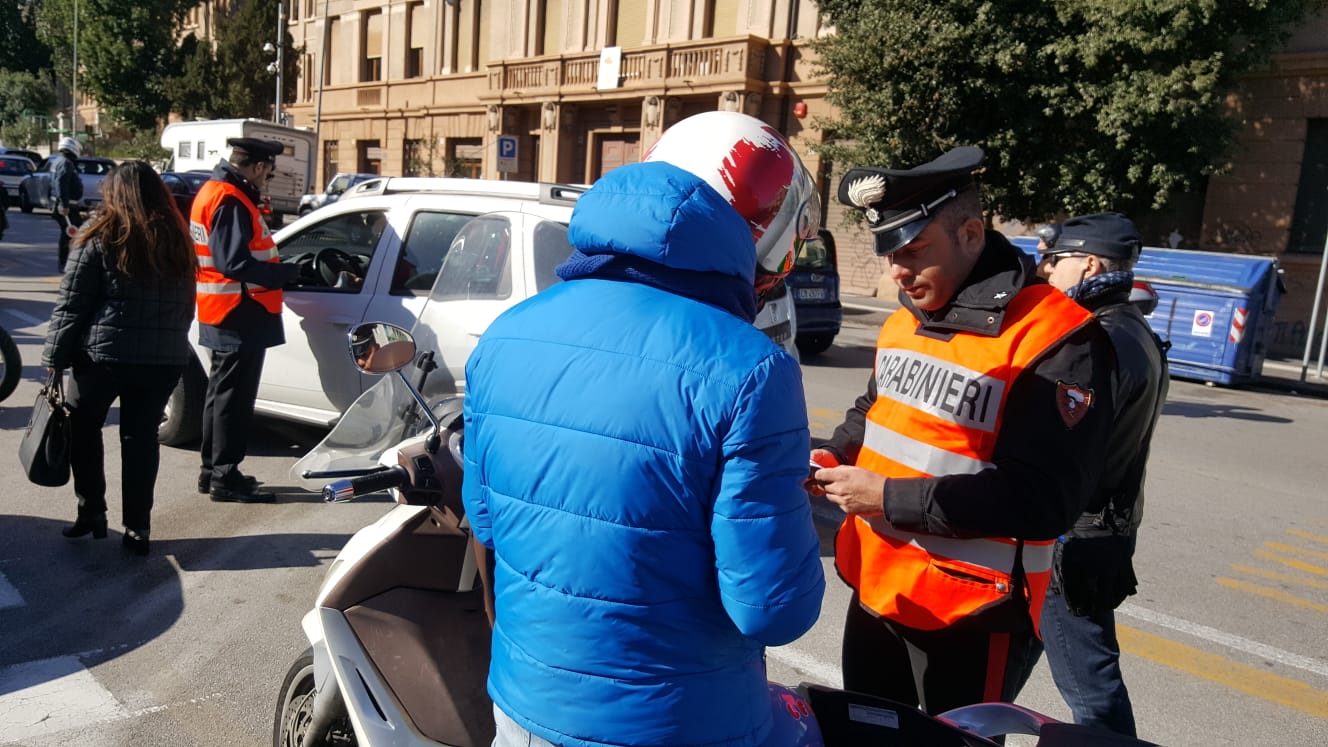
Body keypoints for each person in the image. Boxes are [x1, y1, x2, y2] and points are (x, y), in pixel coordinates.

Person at [461, 111, 826, 747]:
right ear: (759, 235)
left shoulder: (506, 334)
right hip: (681, 724)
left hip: (521, 709)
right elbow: (774, 608)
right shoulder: (753, 371)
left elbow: (487, 524)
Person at [811, 146, 1118, 716]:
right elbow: (876, 408)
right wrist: (831, 453)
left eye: (914, 250)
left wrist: (886, 498)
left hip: (973, 613)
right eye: (889, 253)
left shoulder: (1056, 337)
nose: (897, 271)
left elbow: (1045, 498)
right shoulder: (910, 314)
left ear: (971, 235)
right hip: (878, 590)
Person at [1034, 213, 1170, 737]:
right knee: (1007, 664)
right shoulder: (1133, 328)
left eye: (1056, 262)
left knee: (1095, 698)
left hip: (1072, 543)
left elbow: (1068, 450)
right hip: (1099, 532)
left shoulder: (1097, 340)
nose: (1048, 273)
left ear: (1089, 263)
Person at [41, 161, 198, 556]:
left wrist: (54, 357)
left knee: (84, 429)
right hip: (163, 362)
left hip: (103, 358)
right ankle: (138, 529)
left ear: (114, 191)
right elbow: (187, 306)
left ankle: (91, 511)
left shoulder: (101, 235)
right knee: (141, 440)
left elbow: (72, 305)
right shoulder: (178, 240)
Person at [193, 138, 299, 503]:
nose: (267, 178)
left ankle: (213, 471)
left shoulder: (212, 191)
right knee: (233, 399)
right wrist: (283, 274)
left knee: (221, 395)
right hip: (239, 311)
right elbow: (233, 263)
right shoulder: (230, 199)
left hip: (223, 309)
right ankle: (225, 476)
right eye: (268, 170)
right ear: (257, 166)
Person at [51, 136, 85, 273]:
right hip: (67, 207)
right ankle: (65, 263)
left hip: (66, 205)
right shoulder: (66, 163)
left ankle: (66, 262)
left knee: (70, 234)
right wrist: (64, 205)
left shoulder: (59, 161)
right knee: (72, 234)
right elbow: (61, 184)